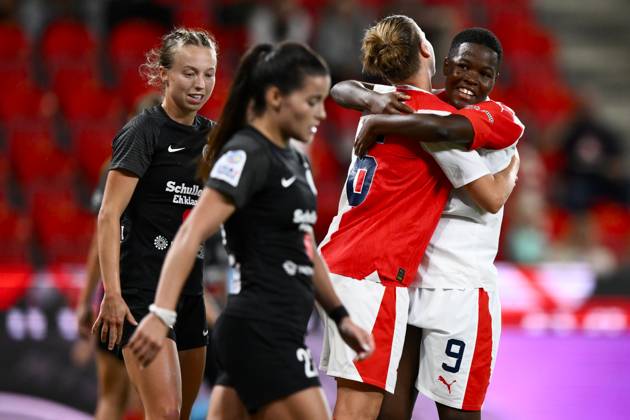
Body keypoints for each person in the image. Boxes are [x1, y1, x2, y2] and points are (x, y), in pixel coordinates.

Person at [127, 42, 374, 420]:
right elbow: (190, 232)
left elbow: (304, 244)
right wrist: (161, 312)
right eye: (311, 101)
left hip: (277, 328)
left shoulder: (294, 158)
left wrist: (340, 316)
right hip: (263, 329)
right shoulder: (246, 155)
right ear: (275, 97)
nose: (321, 113)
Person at [317, 17, 523, 420]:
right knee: (375, 410)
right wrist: (512, 168)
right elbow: (493, 193)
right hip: (399, 283)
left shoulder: (471, 115)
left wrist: (377, 114)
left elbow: (342, 89)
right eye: (463, 66)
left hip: (457, 292)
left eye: (484, 73)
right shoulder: (428, 113)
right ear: (440, 60)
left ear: (496, 80)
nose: (471, 79)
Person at [91, 28, 217, 420]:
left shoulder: (214, 138)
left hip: (190, 291)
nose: (200, 84)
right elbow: (109, 214)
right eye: (189, 73)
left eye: (208, 74)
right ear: (164, 73)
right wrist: (112, 293)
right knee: (163, 412)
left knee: (180, 414)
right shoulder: (142, 131)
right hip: (142, 290)